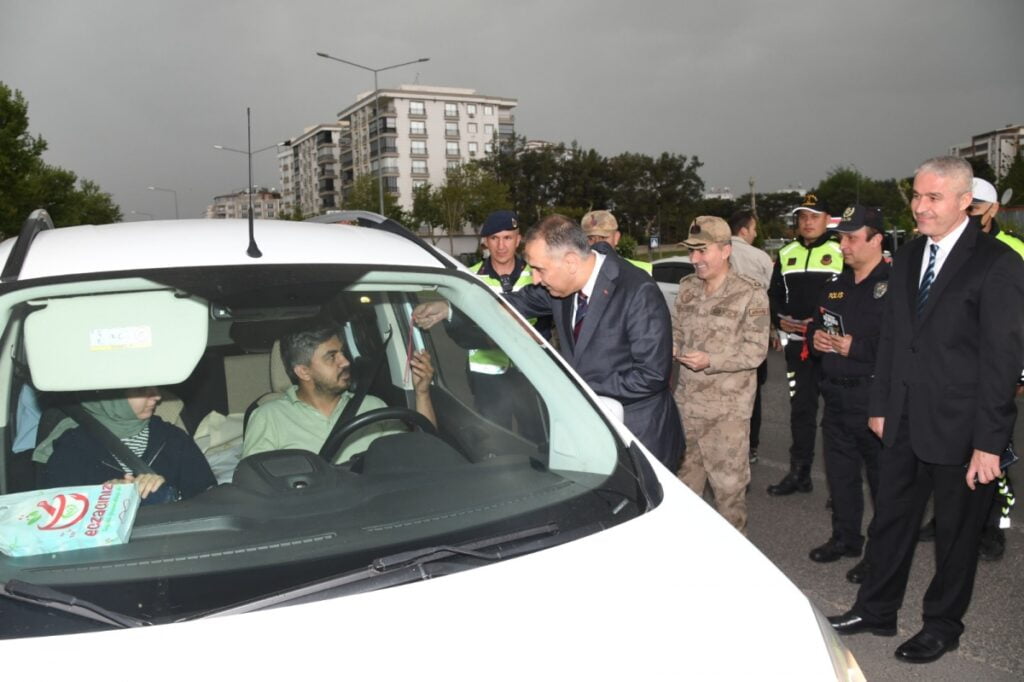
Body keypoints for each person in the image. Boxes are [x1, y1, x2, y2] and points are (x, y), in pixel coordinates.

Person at [829, 156, 1024, 664]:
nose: (920, 206)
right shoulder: (910, 254)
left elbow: (1003, 360)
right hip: (903, 419)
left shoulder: (998, 263)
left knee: (956, 537)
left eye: (933, 197)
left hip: (963, 430)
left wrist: (990, 442)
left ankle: (942, 624)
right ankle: (876, 609)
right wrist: (881, 405)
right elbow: (895, 338)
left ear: (965, 201)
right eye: (916, 196)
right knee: (892, 518)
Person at [413, 214, 684, 471]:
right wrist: (450, 308)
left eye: (539, 269)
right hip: (594, 431)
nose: (535, 278)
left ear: (570, 262)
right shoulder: (558, 288)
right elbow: (508, 304)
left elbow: (651, 377)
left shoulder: (637, 292)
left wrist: (571, 383)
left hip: (640, 437)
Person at [804, 205, 889, 583]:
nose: (844, 245)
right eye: (842, 237)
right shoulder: (835, 285)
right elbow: (815, 328)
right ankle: (845, 538)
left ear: (877, 240)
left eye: (853, 238)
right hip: (835, 397)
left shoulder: (895, 287)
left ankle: (880, 555)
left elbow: (903, 346)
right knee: (840, 477)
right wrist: (817, 340)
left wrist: (855, 347)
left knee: (883, 483)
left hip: (874, 399)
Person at [672, 216, 769, 533]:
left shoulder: (749, 294)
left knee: (729, 497)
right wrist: (670, 348)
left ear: (726, 250)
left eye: (702, 251)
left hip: (726, 414)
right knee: (683, 493)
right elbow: (675, 332)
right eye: (691, 252)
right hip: (687, 408)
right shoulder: (687, 289)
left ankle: (733, 568)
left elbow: (756, 350)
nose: (694, 259)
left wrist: (711, 359)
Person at [243, 324, 436, 463]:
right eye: (331, 357)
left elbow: (423, 456)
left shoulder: (374, 406)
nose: (345, 362)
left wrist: (422, 393)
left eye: (342, 353)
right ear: (303, 372)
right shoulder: (267, 417)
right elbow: (257, 487)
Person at [766, 194, 843, 495]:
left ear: (827, 219)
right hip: (798, 347)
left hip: (833, 348)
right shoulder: (786, 253)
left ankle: (841, 485)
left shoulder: (841, 249)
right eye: (802, 217)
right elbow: (772, 294)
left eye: (814, 215)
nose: (808, 222)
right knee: (801, 411)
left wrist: (823, 323)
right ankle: (800, 473)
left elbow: (854, 296)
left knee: (838, 415)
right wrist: (779, 319)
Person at [39, 387, 216, 502]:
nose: (157, 396)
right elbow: (50, 516)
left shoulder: (173, 439)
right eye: (142, 390)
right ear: (110, 394)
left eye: (155, 387)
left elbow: (210, 502)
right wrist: (101, 497)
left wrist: (168, 493)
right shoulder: (72, 448)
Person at [465, 210, 546, 440]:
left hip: (532, 372)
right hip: (487, 376)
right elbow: (459, 330)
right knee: (495, 440)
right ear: (486, 242)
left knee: (537, 438)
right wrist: (492, 339)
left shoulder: (537, 274)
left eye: (508, 238)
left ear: (518, 240)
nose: (501, 246)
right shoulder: (470, 278)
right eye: (494, 238)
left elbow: (549, 321)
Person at [727, 209, 773, 464]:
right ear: (743, 231)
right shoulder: (760, 258)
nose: (755, 234)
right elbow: (770, 294)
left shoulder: (719, 255)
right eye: (754, 229)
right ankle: (750, 446)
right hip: (753, 335)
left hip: (723, 337)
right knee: (753, 393)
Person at [580, 210, 653, 274]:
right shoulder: (575, 274)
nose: (597, 243)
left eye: (603, 237)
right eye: (590, 238)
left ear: (616, 238)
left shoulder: (644, 271)